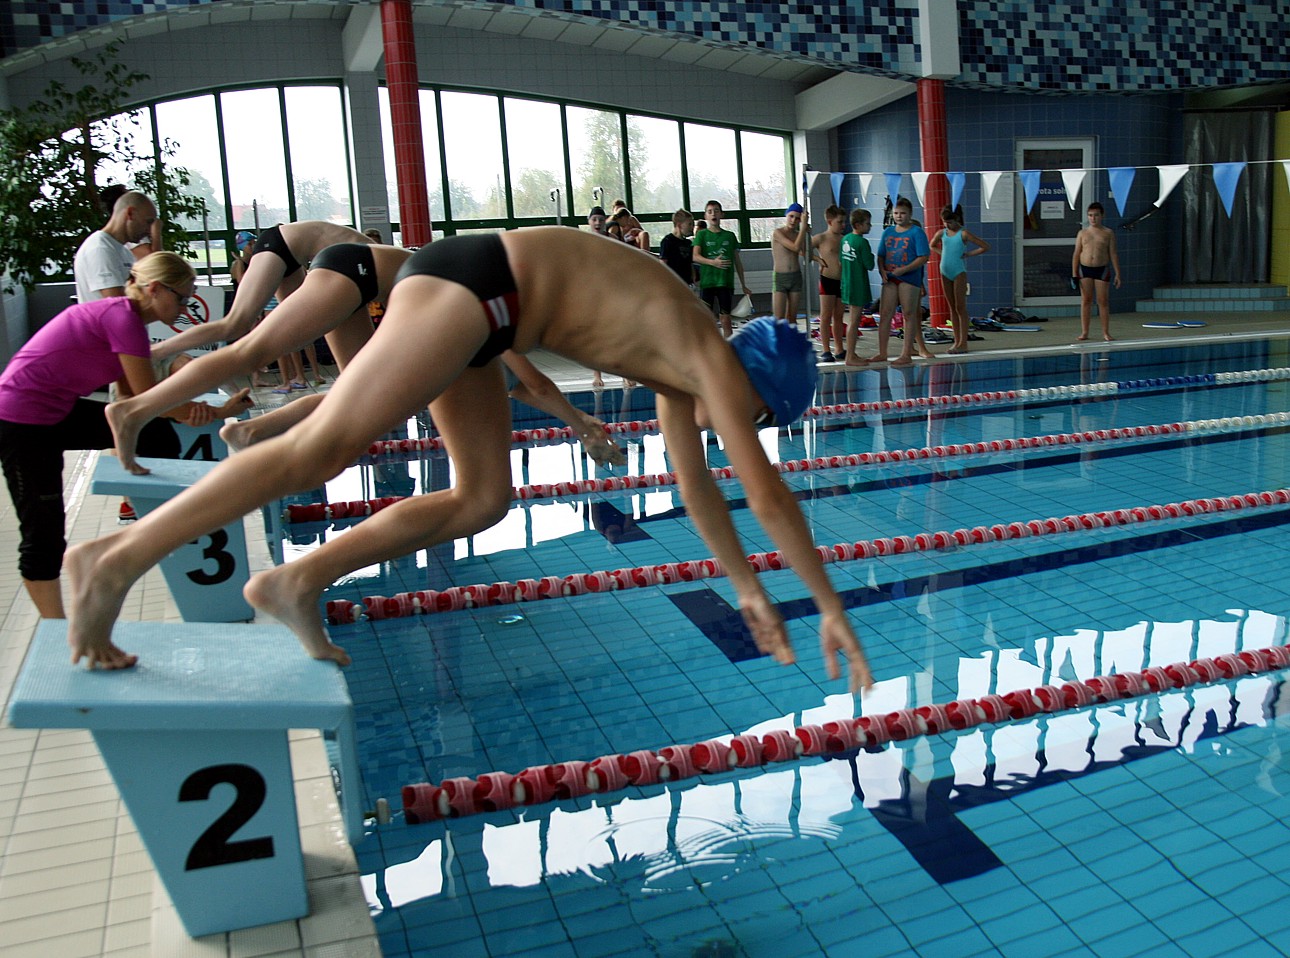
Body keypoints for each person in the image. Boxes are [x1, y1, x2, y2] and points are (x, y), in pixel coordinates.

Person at [65, 228, 872, 694]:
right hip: (476, 285)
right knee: (323, 448)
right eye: (758, 420)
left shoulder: (679, 375)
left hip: (493, 313)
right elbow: (767, 496)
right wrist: (828, 605)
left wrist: (747, 590)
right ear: (758, 388)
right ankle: (114, 561)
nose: (743, 431)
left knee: (483, 497)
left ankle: (296, 581)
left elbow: (700, 493)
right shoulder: (713, 362)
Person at [108, 243, 625, 473]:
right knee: (249, 343)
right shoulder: (495, 304)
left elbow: (526, 386)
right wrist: (580, 423)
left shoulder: (493, 308)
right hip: (353, 270)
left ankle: (249, 431)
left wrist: (579, 423)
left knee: (360, 391)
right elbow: (534, 384)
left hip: (361, 281)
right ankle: (135, 409)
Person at [0, 253, 244, 619]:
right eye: (182, 298)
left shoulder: (126, 321)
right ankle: (55, 629)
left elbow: (131, 401)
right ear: (155, 289)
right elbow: (149, 401)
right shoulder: (122, 318)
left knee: (156, 435)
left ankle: (148, 520)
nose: (185, 308)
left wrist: (186, 411)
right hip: (20, 422)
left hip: (56, 413)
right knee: (43, 532)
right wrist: (215, 413)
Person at [151, 220, 373, 361]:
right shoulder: (390, 266)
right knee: (235, 324)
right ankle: (157, 352)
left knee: (298, 338)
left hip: (301, 257)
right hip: (281, 244)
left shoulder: (382, 265)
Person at [865, 196, 930, 367]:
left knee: (909, 314)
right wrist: (881, 271)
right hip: (890, 278)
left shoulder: (916, 232)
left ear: (910, 214)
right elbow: (881, 255)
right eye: (896, 213)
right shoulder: (888, 232)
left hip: (909, 278)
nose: (899, 216)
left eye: (903, 213)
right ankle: (882, 352)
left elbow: (924, 256)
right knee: (885, 313)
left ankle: (906, 353)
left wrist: (905, 269)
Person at [73, 191, 157, 302]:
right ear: (130, 213)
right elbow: (117, 304)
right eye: (148, 222)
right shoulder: (100, 249)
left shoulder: (124, 251)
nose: (150, 230)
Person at [930, 205, 990, 354]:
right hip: (944, 271)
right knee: (952, 307)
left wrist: (968, 254)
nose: (947, 225)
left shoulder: (963, 234)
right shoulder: (941, 233)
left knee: (960, 307)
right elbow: (932, 245)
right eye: (944, 222)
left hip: (958, 272)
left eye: (949, 222)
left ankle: (963, 343)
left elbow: (984, 246)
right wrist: (943, 253)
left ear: (957, 219)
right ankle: (956, 341)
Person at [692, 200, 751, 338]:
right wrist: (713, 262)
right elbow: (695, 256)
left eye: (716, 211)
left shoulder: (729, 236)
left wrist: (744, 285)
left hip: (725, 283)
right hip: (708, 283)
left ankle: (728, 346)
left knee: (726, 319)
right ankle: (709, 347)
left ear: (722, 214)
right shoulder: (701, 235)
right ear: (705, 216)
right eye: (710, 212)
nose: (713, 214)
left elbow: (737, 262)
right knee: (706, 319)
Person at [1072, 201, 1121, 342]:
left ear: (1102, 216)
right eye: (1090, 215)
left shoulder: (1108, 233)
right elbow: (1076, 254)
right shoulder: (1082, 233)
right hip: (1085, 269)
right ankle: (1084, 332)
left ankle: (1106, 332)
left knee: (1103, 301)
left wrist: (1118, 273)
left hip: (1101, 269)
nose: (1093, 218)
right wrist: (1074, 274)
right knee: (1086, 300)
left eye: (1096, 215)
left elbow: (1113, 254)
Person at [811, 205, 847, 361]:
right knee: (825, 316)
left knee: (839, 316)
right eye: (840, 222)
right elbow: (802, 249)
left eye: (844, 222)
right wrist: (817, 259)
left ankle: (839, 348)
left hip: (842, 281)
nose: (843, 225)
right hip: (827, 280)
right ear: (830, 221)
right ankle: (826, 349)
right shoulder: (821, 238)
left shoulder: (845, 239)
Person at [840, 208, 875, 366]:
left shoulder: (845, 239)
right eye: (868, 223)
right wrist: (872, 256)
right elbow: (869, 265)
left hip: (847, 284)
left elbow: (841, 261)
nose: (870, 226)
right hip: (858, 285)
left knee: (852, 320)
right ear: (858, 225)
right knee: (854, 321)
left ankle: (851, 353)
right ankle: (850, 357)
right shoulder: (862, 242)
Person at [98, 184, 162, 262]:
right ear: (130, 212)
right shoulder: (102, 247)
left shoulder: (118, 244)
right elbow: (155, 261)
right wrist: (156, 233)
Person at [770, 203, 809, 329]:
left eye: (797, 218)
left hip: (795, 277)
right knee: (779, 319)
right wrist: (803, 229)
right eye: (791, 216)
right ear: (786, 216)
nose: (793, 220)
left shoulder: (798, 234)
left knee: (792, 318)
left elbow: (804, 253)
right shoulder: (777, 233)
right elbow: (795, 247)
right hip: (780, 278)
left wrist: (807, 233)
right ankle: (778, 341)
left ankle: (790, 340)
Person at [659, 209, 696, 287]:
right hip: (673, 282)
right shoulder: (668, 241)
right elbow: (663, 263)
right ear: (679, 225)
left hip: (687, 283)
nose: (692, 227)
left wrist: (693, 278)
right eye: (689, 224)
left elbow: (690, 263)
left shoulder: (688, 243)